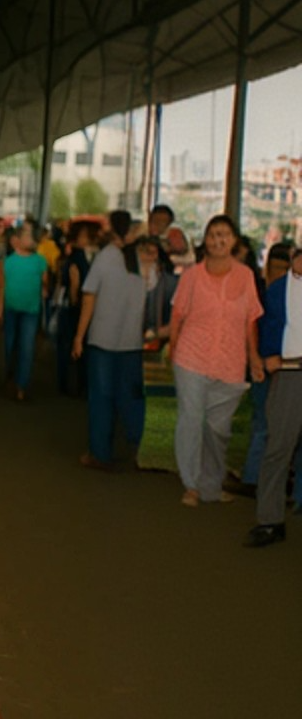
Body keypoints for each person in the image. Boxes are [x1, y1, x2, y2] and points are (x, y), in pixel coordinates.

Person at [165, 215, 265, 506]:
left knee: (218, 428)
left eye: (224, 235)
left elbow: (250, 321)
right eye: (212, 234)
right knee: (191, 420)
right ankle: (192, 485)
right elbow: (177, 314)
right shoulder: (192, 276)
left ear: (234, 241)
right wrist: (173, 347)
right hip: (191, 357)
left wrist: (254, 358)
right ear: (205, 240)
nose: (217, 240)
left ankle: (211, 484)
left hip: (230, 362)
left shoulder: (245, 276)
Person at [73, 223, 150, 470]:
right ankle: (139, 449)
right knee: (131, 397)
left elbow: (89, 297)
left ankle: (100, 452)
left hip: (102, 340)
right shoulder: (143, 259)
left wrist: (79, 336)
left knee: (101, 398)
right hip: (132, 341)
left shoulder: (105, 257)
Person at [249, 250, 302, 545]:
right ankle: (270, 520)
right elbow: (268, 325)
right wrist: (269, 355)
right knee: (278, 447)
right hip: (290, 372)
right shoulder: (280, 289)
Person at [0, 228, 52, 400]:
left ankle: (21, 384)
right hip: (11, 309)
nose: (32, 239)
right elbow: (1, 287)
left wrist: (44, 288)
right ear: (17, 240)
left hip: (31, 310)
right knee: (10, 345)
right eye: (28, 236)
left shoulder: (40, 261)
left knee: (27, 347)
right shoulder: (8, 261)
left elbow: (45, 283)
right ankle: (11, 376)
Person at [54, 220, 98, 397]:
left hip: (69, 307)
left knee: (64, 347)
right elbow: (75, 283)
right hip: (77, 307)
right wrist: (76, 303)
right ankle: (81, 385)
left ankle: (64, 383)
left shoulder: (69, 258)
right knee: (79, 346)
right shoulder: (82, 258)